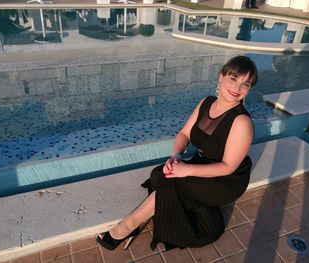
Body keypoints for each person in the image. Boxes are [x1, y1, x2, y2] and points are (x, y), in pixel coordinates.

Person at [97, 55, 258, 251]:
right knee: (159, 174)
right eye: (233, 79)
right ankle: (188, 207)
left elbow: (228, 167)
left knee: (172, 181)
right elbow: (184, 133)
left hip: (227, 179)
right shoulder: (207, 102)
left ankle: (127, 226)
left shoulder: (241, 122)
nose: (237, 88)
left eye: (245, 84)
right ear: (221, 76)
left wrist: (187, 170)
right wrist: (177, 156)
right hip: (202, 163)